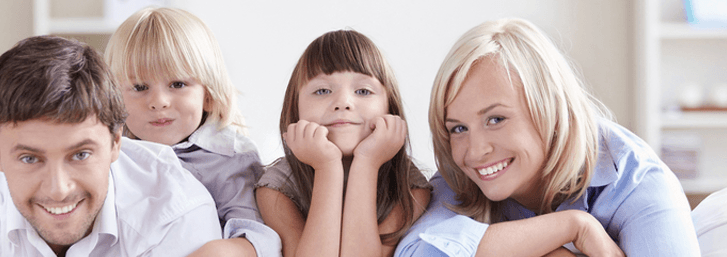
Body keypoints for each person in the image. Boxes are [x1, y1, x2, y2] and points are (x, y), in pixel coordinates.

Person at [395, 18, 700, 256]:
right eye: (458, 128)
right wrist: (570, 228)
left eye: (496, 119)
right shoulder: (462, 177)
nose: (474, 151)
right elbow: (416, 251)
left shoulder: (637, 184)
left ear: (551, 110)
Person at [0, 35, 221, 256]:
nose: (58, 189)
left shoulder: (174, 210)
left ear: (115, 141)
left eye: (80, 155)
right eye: (29, 159)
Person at [102, 7, 279, 257]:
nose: (158, 101)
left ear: (208, 95)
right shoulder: (113, 154)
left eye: (177, 84)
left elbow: (260, 240)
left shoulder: (229, 158)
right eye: (140, 87)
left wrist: (215, 251)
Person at [255, 30, 432, 257]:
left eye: (363, 91)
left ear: (390, 108)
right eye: (322, 90)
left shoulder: (409, 187)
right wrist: (326, 167)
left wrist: (367, 163)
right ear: (295, 109)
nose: (343, 103)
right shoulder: (277, 187)